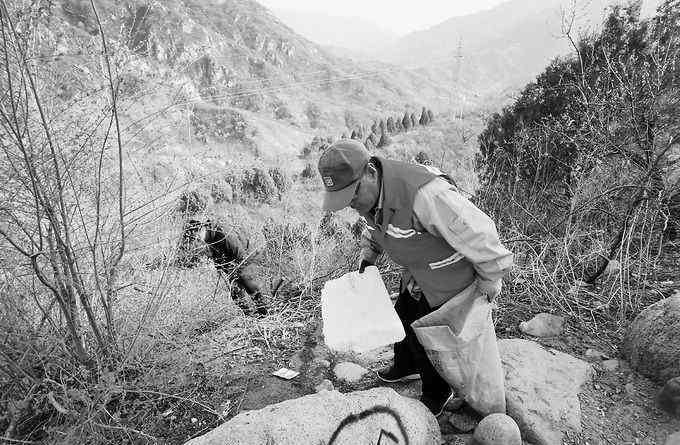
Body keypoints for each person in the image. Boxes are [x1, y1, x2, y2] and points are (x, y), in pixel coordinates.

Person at [317, 139, 513, 416]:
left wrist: (491, 276)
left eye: (353, 194)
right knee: (404, 316)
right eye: (344, 199)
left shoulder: (425, 194)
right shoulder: (373, 197)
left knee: (432, 337)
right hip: (418, 272)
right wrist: (369, 254)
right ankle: (406, 366)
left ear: (371, 171)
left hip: (450, 281)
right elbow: (376, 228)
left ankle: (437, 392)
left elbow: (478, 231)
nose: (351, 204)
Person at [182, 219, 268, 316]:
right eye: (193, 237)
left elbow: (239, 254)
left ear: (201, 229)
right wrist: (219, 265)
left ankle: (264, 312)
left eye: (195, 235)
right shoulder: (209, 236)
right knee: (235, 294)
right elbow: (216, 253)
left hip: (246, 257)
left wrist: (235, 271)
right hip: (234, 263)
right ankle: (249, 316)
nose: (196, 238)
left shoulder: (222, 234)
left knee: (247, 283)